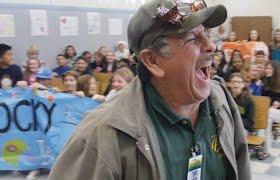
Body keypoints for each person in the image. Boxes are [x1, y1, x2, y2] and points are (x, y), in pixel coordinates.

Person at [49, 1, 250, 180]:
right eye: (193, 38)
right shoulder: (103, 136)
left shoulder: (221, 100)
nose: (210, 45)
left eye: (206, 34)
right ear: (152, 60)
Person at [260, 60, 280, 159]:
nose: (266, 70)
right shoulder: (265, 81)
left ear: (275, 70)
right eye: (266, 68)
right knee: (266, 120)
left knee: (265, 115)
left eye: (269, 68)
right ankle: (266, 150)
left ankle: (259, 141)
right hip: (268, 113)